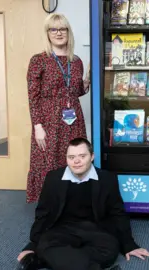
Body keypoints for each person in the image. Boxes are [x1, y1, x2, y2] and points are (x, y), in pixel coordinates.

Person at [17, 138, 149, 270]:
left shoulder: (107, 178)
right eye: (71, 157)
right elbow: (43, 212)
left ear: (92, 156)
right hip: (62, 229)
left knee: (109, 251)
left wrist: (129, 244)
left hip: (96, 229)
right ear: (66, 159)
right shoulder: (54, 178)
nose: (76, 161)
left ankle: (49, 261)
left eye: (82, 156)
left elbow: (117, 213)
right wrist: (33, 244)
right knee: (45, 244)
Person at [26, 13, 91, 203]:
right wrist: (37, 126)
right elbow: (33, 96)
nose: (58, 33)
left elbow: (74, 91)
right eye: (53, 29)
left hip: (73, 118)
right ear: (47, 33)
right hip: (49, 120)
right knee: (49, 160)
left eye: (62, 29)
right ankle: (50, 204)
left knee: (74, 156)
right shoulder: (38, 60)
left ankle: (72, 201)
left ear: (68, 32)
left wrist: (84, 86)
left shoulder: (76, 61)